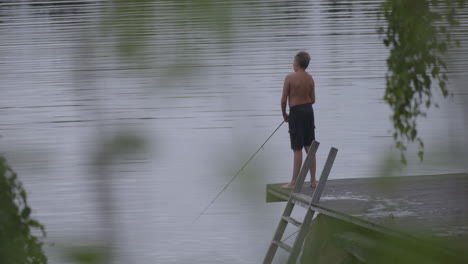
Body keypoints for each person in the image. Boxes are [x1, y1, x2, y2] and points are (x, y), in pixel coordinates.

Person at [280, 51, 316, 189]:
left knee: (297, 148)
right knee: (310, 147)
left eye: (293, 61)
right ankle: (313, 181)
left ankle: (294, 182)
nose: (292, 63)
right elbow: (313, 100)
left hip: (296, 113)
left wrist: (284, 114)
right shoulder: (310, 78)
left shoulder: (289, 78)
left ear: (297, 64)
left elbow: (283, 100)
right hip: (308, 112)